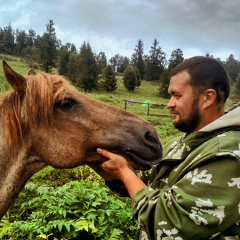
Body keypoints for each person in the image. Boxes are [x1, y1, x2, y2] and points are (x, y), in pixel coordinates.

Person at [92, 56, 240, 239]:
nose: (169, 104)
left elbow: (169, 226)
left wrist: (124, 172)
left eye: (177, 96)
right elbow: (144, 180)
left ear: (207, 98)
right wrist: (99, 160)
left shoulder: (226, 155)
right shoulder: (186, 142)